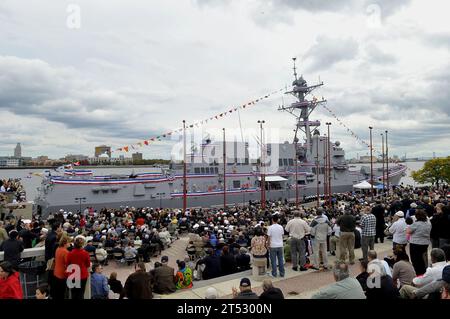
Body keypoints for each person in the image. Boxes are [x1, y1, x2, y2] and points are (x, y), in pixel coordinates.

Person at [407, 209, 431, 275]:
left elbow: (408, 231)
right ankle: (424, 271)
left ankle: (419, 273)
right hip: (425, 243)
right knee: (423, 258)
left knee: (415, 260)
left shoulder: (416, 224)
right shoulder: (428, 223)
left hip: (415, 243)